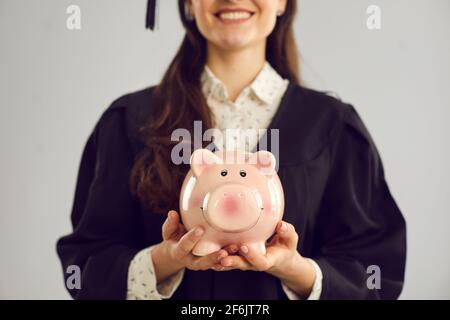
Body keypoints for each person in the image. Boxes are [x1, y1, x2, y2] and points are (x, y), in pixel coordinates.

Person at [57, 0, 406, 300]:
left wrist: (293, 269)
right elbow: (88, 263)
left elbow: (375, 271)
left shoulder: (331, 126)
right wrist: (167, 260)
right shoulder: (132, 120)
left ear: (283, 1)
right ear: (189, 3)